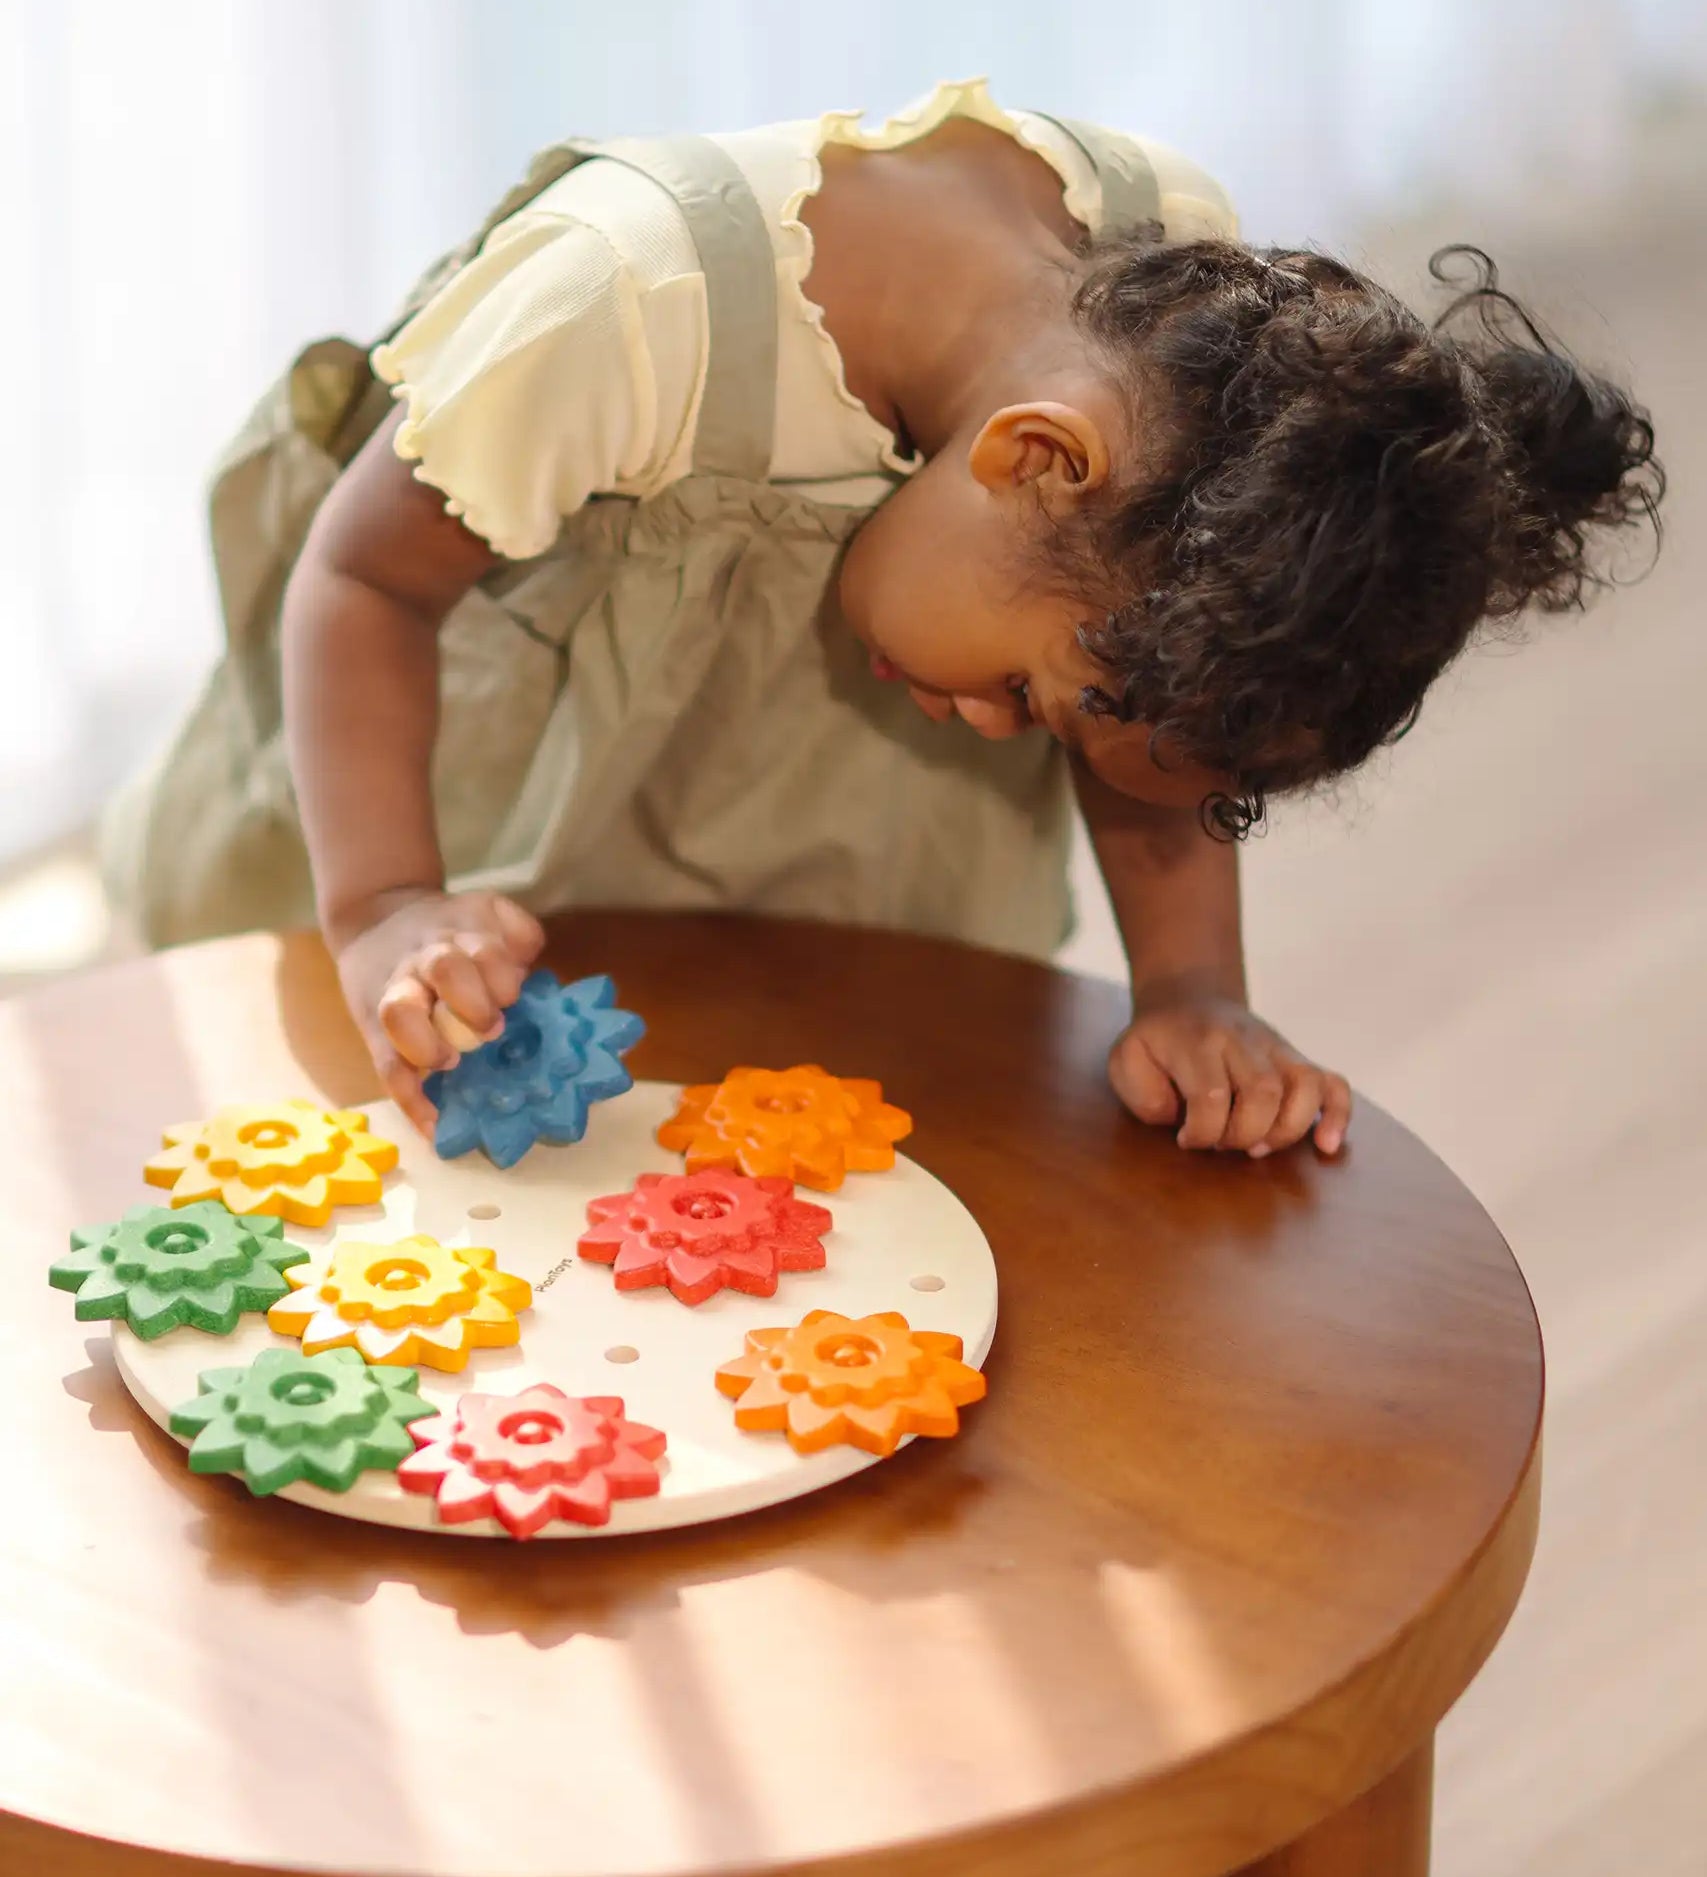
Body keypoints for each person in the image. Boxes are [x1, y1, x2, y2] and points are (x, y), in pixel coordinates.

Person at [104, 80, 1660, 1156]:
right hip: (463, 823)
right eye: (1041, 703)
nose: (998, 734)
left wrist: (1194, 995)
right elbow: (363, 577)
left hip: (821, 890)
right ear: (1032, 459)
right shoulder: (622, 308)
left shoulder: (1179, 352)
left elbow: (1158, 740)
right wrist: (383, 902)